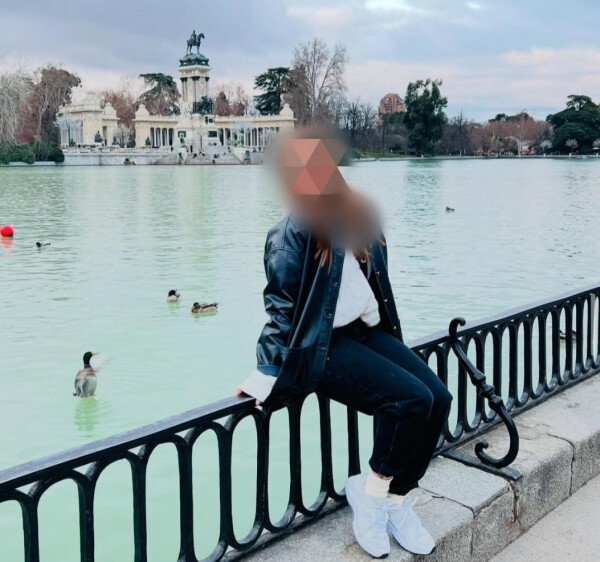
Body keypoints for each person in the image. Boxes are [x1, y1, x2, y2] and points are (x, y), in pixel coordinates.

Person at [236, 126, 452, 558]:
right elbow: (280, 307)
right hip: (323, 346)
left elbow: (376, 285)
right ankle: (371, 495)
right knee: (408, 401)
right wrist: (267, 370)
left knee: (438, 399)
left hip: (367, 332)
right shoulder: (289, 232)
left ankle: (395, 500)